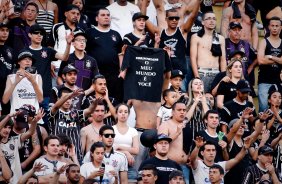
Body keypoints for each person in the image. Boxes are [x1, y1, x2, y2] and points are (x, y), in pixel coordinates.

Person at [27, 23, 72, 127]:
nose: (39, 35)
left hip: (45, 93)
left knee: (45, 125)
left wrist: (68, 44)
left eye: (41, 34)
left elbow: (64, 58)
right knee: (29, 124)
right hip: (28, 94)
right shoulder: (25, 52)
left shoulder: (48, 51)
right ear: (29, 35)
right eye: (36, 33)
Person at [48, 87, 97, 162]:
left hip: (76, 157)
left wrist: (95, 103)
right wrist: (70, 94)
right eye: (65, 98)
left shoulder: (76, 113)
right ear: (58, 99)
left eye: (70, 98)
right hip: (57, 158)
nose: (68, 101)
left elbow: (89, 111)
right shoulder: (54, 112)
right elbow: (56, 106)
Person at [85, 8, 123, 102]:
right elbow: (84, 52)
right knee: (96, 102)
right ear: (96, 18)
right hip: (95, 74)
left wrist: (121, 71)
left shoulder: (116, 34)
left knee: (114, 101)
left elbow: (120, 54)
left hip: (113, 75)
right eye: (103, 15)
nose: (106, 17)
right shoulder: (89, 33)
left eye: (108, 15)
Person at [0, 108, 43, 184]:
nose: (7, 130)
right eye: (4, 127)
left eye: (9, 127)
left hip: (17, 181)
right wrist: (8, 116)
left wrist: (35, 122)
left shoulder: (14, 140)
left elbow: (30, 132)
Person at [190, 11, 226, 92]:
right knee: (201, 99)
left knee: (216, 101)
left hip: (216, 73)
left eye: (214, 19)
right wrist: (197, 77)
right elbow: (193, 58)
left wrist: (223, 76)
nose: (212, 21)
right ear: (203, 22)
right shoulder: (196, 37)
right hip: (202, 73)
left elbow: (223, 60)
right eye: (208, 19)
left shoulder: (220, 38)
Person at [48, 4, 82, 87]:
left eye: (77, 14)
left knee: (73, 97)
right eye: (73, 13)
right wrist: (50, 62)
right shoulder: (56, 27)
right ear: (66, 14)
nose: (75, 16)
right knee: (56, 94)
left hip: (74, 69)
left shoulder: (81, 31)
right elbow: (50, 46)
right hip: (57, 66)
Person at [158, 102, 193, 183]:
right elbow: (161, 143)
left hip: (184, 167)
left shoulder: (187, 127)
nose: (182, 112)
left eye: (184, 110)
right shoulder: (165, 125)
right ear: (172, 112)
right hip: (169, 166)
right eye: (179, 110)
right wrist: (177, 133)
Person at [2, 50, 43, 114]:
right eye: (24, 59)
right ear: (19, 62)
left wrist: (33, 82)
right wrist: (15, 82)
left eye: (30, 59)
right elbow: (4, 101)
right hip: (17, 117)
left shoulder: (38, 77)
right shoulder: (11, 77)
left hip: (34, 117)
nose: (28, 61)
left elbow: (40, 100)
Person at [257, 16, 282, 112]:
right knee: (263, 108)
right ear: (269, 27)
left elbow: (265, 59)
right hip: (264, 81)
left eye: (277, 26)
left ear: (281, 27)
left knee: (279, 109)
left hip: (278, 81)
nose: (275, 28)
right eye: (273, 26)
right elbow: (261, 60)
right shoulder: (264, 42)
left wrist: (270, 57)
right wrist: (278, 59)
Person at [9, 104, 42, 173]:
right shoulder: (8, 129)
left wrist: (25, 163)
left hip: (27, 166)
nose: (22, 126)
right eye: (20, 124)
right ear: (14, 119)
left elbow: (37, 149)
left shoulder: (31, 128)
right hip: (10, 165)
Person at [113, 104, 139, 183]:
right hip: (113, 165)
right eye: (120, 112)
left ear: (128, 114)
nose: (123, 114)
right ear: (116, 113)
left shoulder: (133, 131)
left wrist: (119, 147)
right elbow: (108, 149)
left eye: (125, 112)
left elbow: (136, 150)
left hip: (129, 167)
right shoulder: (111, 129)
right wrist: (126, 153)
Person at [0, 22, 15, 115]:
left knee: (5, 117)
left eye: (7, 31)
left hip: (6, 89)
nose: (5, 33)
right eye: (2, 30)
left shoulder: (10, 50)